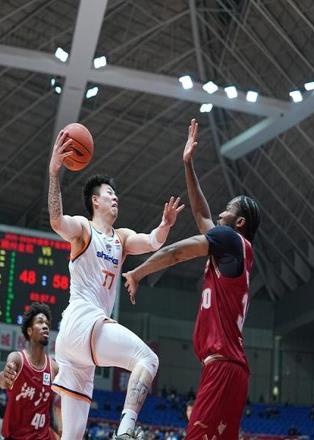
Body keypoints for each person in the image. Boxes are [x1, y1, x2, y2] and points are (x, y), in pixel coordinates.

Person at [123, 119, 260, 440]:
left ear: (239, 222)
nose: (220, 214)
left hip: (223, 367)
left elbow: (175, 253)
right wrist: (188, 164)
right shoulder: (234, 249)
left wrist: (138, 272)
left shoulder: (230, 240)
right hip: (230, 368)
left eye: (227, 210)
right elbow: (202, 215)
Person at [47, 129, 184, 439]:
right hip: (83, 320)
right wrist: (54, 172)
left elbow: (151, 242)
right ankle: (124, 432)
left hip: (75, 344)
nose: (115, 197)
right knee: (148, 359)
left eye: (115, 193)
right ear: (95, 201)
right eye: (109, 193)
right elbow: (56, 221)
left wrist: (164, 226)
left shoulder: (121, 237)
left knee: (71, 437)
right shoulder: (83, 228)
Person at [0, 302, 59, 439]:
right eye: (40, 322)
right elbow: (3, 380)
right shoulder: (17, 359)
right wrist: (5, 377)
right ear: (30, 331)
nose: (45, 326)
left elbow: (56, 407)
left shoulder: (54, 368)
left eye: (47, 324)